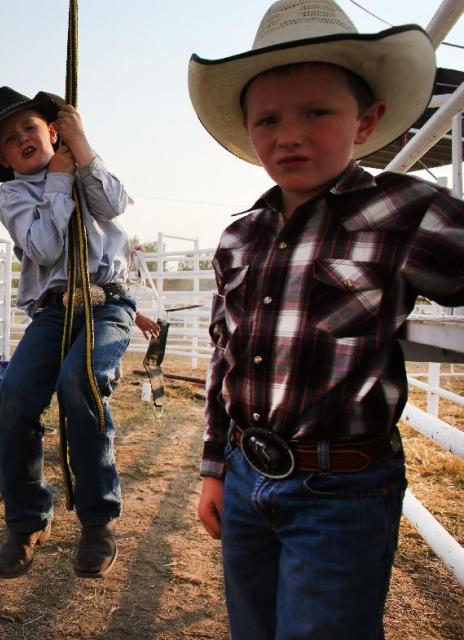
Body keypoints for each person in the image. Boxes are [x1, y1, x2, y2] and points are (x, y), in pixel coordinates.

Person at [188, 1, 464, 637]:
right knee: (250, 627)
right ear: (248, 131)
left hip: (343, 488)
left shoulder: (402, 213)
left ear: (366, 121)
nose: (290, 134)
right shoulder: (239, 239)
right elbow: (222, 360)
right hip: (247, 470)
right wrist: (213, 469)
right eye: (270, 119)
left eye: (317, 112)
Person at [0, 86, 137, 579]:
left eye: (30, 127)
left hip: (106, 302)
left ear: (54, 131)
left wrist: (80, 149)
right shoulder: (13, 193)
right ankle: (24, 523)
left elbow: (115, 201)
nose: (22, 138)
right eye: (9, 137)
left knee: (79, 383)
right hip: (54, 310)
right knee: (15, 397)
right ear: (0, 157)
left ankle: (98, 520)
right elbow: (42, 246)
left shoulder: (84, 172)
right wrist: (58, 183)